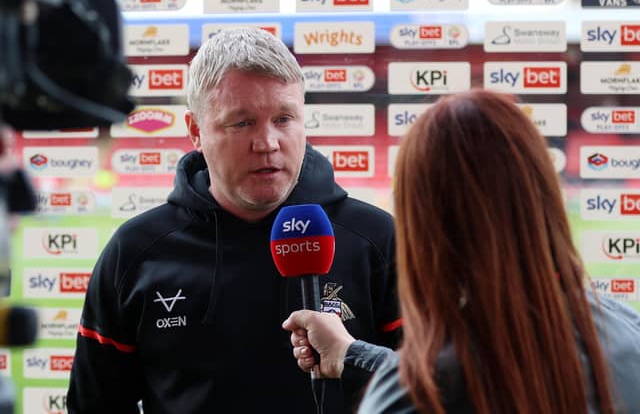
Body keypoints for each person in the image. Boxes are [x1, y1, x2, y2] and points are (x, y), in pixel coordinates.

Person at [67, 27, 401, 413]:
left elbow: (431, 389)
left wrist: (357, 359)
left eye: (284, 118)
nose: (267, 142)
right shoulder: (135, 251)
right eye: (242, 123)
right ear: (196, 131)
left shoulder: (377, 239)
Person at [284, 89, 640, 414]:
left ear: (426, 230)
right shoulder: (630, 335)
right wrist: (352, 354)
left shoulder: (408, 394)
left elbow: (448, 378)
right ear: (543, 194)